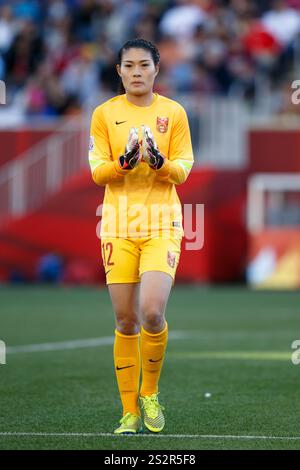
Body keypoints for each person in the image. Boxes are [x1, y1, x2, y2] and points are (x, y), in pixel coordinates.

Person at [89, 38, 194, 434]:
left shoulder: (174, 113)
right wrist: (124, 163)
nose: (136, 72)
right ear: (118, 71)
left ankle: (149, 394)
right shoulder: (104, 114)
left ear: (156, 69)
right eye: (128, 65)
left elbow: (184, 167)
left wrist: (157, 161)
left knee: (152, 312)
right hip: (117, 224)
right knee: (125, 318)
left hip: (162, 224)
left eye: (143, 65)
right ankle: (129, 411)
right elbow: (97, 170)